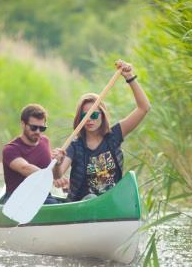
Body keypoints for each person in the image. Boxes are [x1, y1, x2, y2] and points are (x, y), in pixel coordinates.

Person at [53, 60, 151, 201]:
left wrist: (129, 77)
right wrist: (57, 163)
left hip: (111, 201)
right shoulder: (74, 146)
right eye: (84, 116)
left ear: (102, 115)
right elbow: (58, 174)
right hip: (83, 202)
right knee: (91, 197)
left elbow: (144, 108)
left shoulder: (115, 135)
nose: (89, 120)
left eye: (93, 115)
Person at [1, 104, 67, 204]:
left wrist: (58, 164)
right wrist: (48, 178)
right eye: (33, 127)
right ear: (23, 124)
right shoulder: (10, 149)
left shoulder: (45, 141)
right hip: (17, 199)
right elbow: (25, 168)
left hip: (43, 197)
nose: (38, 131)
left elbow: (56, 175)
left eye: (42, 128)